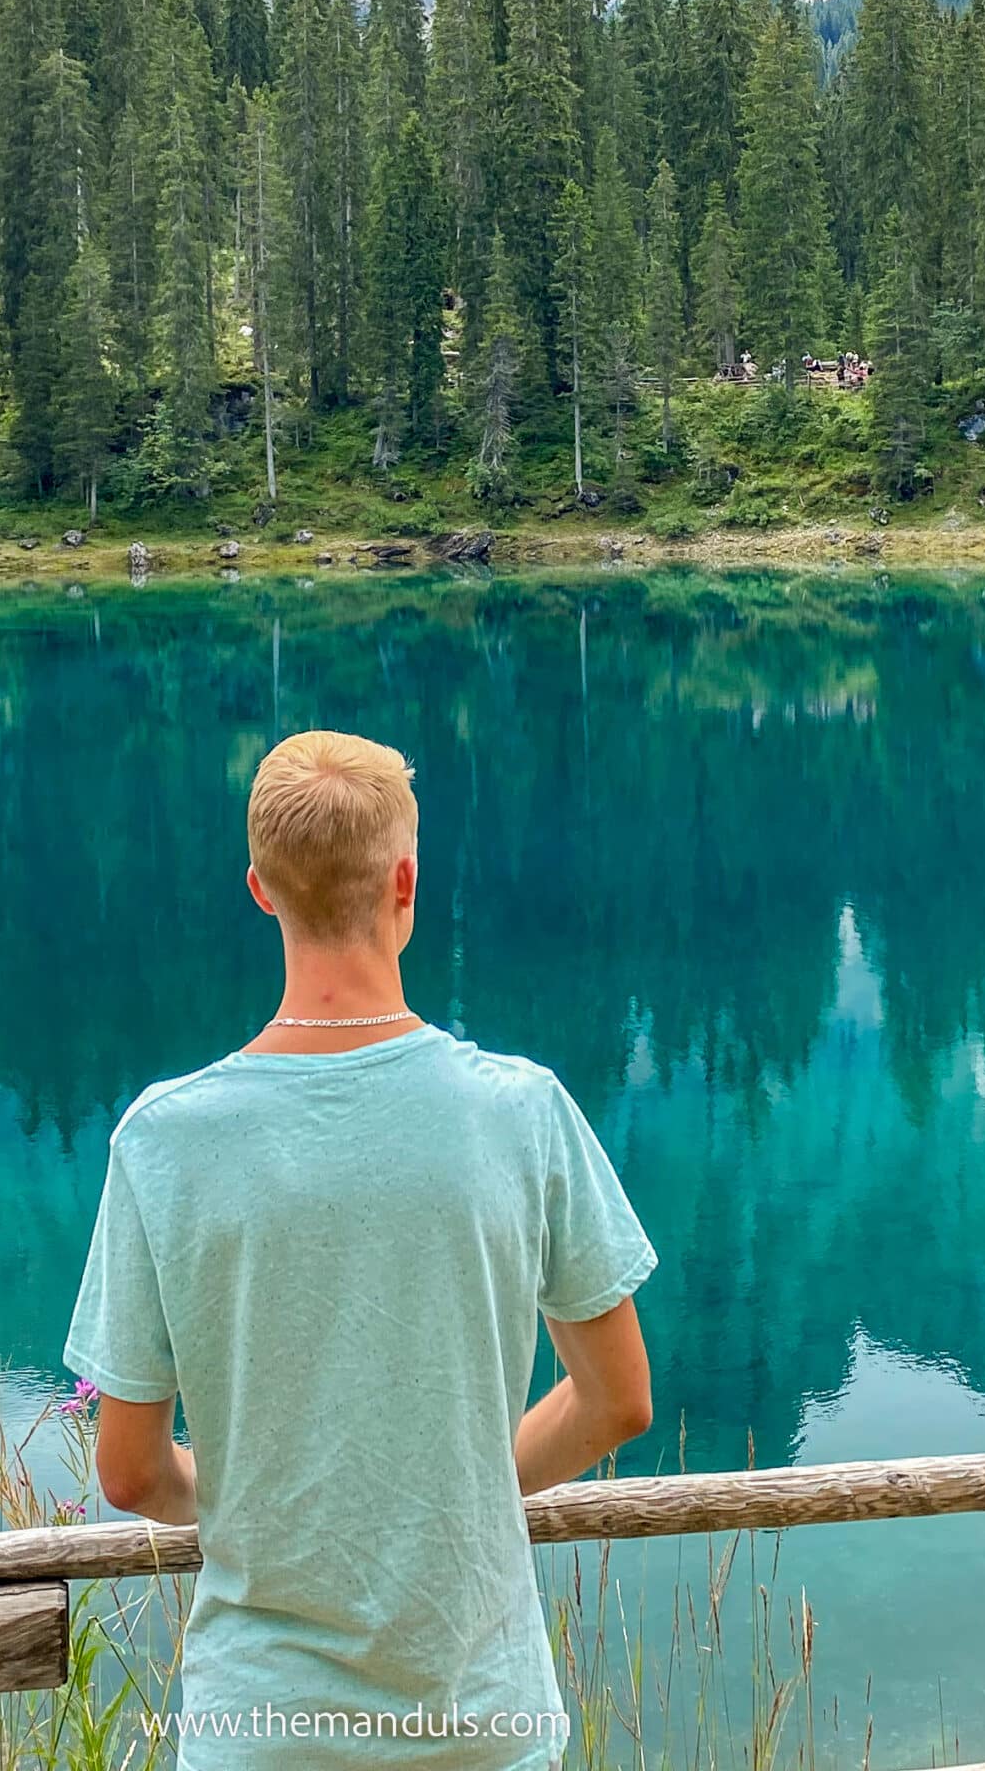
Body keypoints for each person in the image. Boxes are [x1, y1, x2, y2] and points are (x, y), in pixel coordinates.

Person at [65, 730, 655, 1771]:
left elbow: (129, 1471)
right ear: (406, 881)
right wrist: (457, 1485)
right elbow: (616, 1402)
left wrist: (260, 1508)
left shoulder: (163, 1140)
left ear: (259, 889)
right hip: (483, 1722)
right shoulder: (521, 1114)